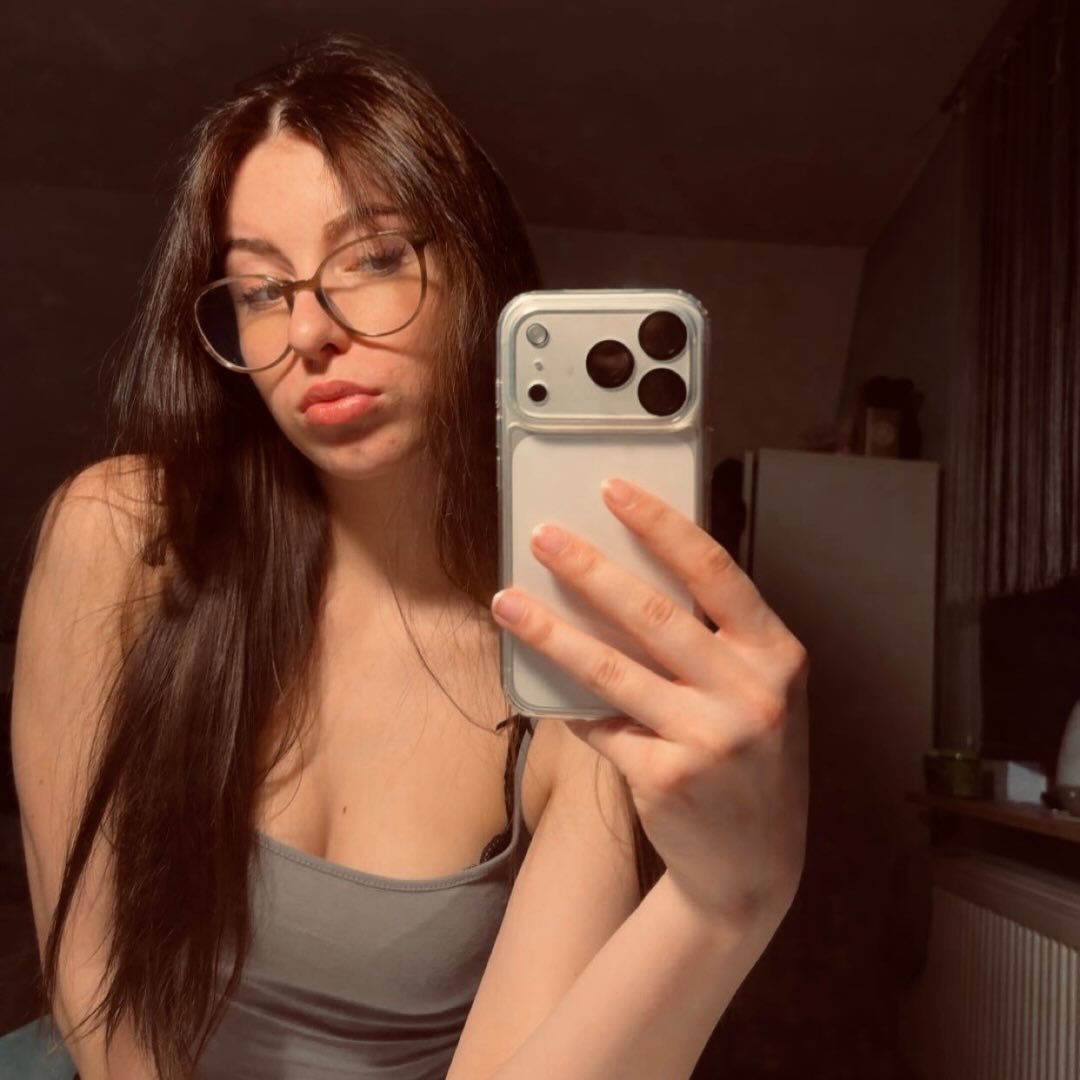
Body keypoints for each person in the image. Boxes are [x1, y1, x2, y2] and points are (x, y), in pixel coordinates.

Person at [11, 34, 809, 1080]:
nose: (309, 331)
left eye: (376, 257)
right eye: (259, 289)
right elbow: (93, 988)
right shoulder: (120, 537)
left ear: (481, 274)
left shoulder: (572, 666)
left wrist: (728, 900)